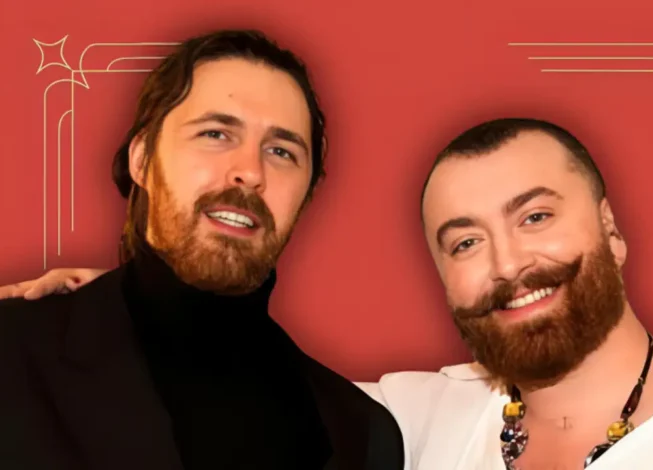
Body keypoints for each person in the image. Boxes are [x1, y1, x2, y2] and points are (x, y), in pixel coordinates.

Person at [6, 118, 653, 469]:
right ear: (443, 278)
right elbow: (223, 373)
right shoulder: (410, 421)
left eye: (536, 217)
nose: (509, 265)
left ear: (610, 228)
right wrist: (123, 305)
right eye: (465, 242)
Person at [0, 29, 404, 470]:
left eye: (281, 151)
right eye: (215, 133)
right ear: (142, 159)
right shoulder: (13, 350)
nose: (250, 172)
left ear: (306, 194)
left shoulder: (362, 433)